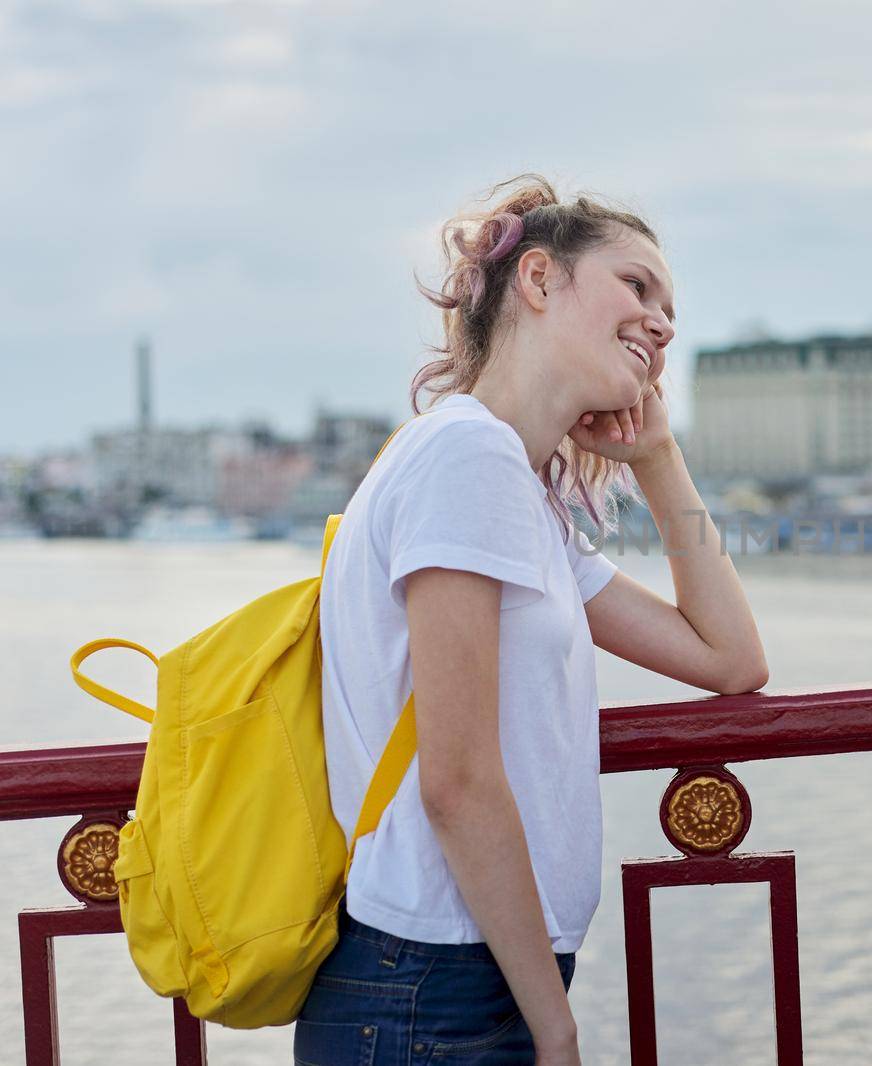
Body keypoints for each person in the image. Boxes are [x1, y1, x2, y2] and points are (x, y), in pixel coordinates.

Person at [295, 175, 768, 1066]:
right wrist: (552, 1023)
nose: (663, 323)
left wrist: (660, 459)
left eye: (671, 308)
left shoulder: (515, 492)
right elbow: (458, 779)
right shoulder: (466, 456)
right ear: (540, 279)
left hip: (461, 974)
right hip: (435, 984)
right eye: (637, 287)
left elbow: (732, 660)